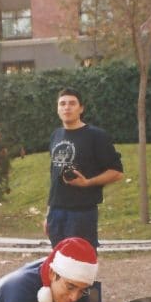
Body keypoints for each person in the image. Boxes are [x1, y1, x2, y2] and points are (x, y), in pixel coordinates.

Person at [44, 87, 124, 247]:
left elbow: (117, 172)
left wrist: (87, 182)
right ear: (57, 109)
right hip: (56, 212)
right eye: (62, 104)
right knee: (59, 263)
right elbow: (54, 176)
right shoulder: (56, 135)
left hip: (82, 212)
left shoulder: (96, 136)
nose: (67, 107)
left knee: (81, 263)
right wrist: (48, 214)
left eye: (72, 103)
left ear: (81, 108)